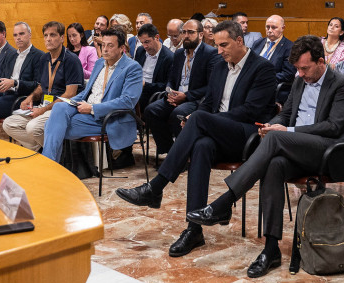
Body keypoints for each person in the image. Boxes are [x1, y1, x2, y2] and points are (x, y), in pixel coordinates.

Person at [187, 35, 344, 277]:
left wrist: (286, 131)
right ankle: (271, 248)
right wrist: (271, 124)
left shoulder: (343, 84)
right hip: (294, 149)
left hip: (327, 151)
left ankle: (224, 202)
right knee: (274, 164)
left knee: (277, 139)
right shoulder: (299, 82)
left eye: (305, 68)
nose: (300, 74)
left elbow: (334, 127)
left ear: (321, 62)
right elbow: (285, 114)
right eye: (297, 68)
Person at [115, 20, 276, 259]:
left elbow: (251, 111)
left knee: (199, 119)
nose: (219, 51)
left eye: (224, 45)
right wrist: (197, 117)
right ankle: (193, 229)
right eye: (217, 45)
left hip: (246, 135)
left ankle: (156, 187)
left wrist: (204, 120)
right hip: (218, 134)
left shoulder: (262, 68)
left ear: (240, 41)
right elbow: (210, 103)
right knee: (201, 145)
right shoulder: (221, 67)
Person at [41, 28, 143, 163]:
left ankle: (49, 165)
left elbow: (127, 101)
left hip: (109, 118)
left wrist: (92, 108)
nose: (105, 49)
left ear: (121, 48)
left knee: (51, 125)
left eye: (110, 45)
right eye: (103, 45)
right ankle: (51, 165)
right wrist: (67, 101)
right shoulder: (100, 62)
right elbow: (87, 92)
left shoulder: (132, 68)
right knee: (59, 108)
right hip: (85, 110)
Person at [2, 21, 84, 152]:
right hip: (44, 106)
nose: (48, 39)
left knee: (32, 127)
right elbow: (42, 86)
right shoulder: (44, 59)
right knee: (9, 124)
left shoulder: (71, 60)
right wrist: (30, 97)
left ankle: (53, 154)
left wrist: (43, 110)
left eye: (52, 35)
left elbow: (70, 94)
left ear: (62, 38)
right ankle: (45, 151)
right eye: (45, 35)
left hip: (61, 109)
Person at [144, 19, 217, 155]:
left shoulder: (210, 53)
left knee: (177, 114)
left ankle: (181, 155)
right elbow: (171, 80)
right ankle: (170, 151)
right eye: (184, 32)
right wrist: (169, 93)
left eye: (191, 32)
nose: (186, 36)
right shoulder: (178, 54)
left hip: (195, 99)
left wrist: (186, 96)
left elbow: (211, 86)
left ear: (201, 34)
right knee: (151, 110)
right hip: (175, 96)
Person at [251, 14, 295, 103]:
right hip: (252, 81)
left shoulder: (289, 47)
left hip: (271, 84)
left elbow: (288, 74)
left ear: (283, 28)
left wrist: (265, 78)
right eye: (267, 27)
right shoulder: (258, 43)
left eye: (274, 27)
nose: (269, 30)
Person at [134, 23, 174, 112]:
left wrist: (145, 85)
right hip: (136, 87)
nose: (144, 46)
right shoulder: (140, 51)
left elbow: (166, 86)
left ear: (156, 37)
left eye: (147, 42)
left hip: (152, 92)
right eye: (142, 42)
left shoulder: (169, 58)